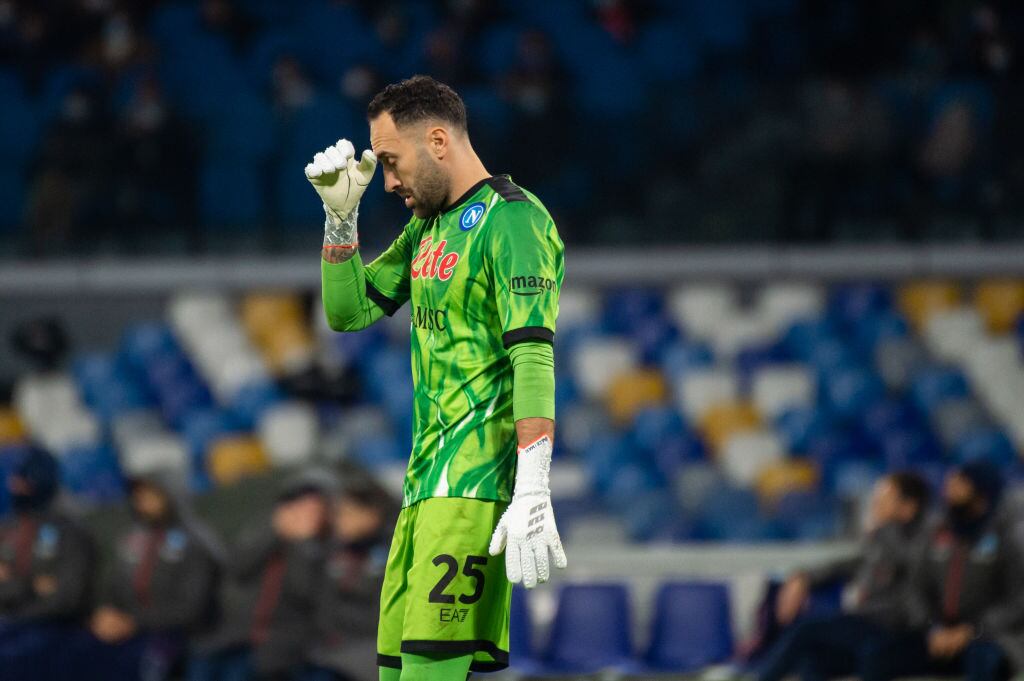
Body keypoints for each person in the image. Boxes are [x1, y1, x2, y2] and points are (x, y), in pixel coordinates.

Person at [308, 75, 566, 680]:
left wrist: (533, 482)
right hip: (424, 484)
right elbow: (348, 312)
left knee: (430, 674)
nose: (388, 181)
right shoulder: (428, 228)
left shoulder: (513, 222)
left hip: (471, 486)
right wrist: (340, 221)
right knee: (398, 672)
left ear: (440, 140)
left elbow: (533, 356)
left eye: (393, 162)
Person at [754, 472, 931, 681]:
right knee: (812, 657)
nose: (875, 505)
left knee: (806, 629)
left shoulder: (921, 541)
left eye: (884, 499)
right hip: (866, 627)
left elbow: (910, 591)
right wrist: (803, 578)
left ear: (908, 507)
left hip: (888, 628)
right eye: (875, 498)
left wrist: (885, 531)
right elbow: (849, 564)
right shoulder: (882, 538)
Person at [872, 461, 1024, 681]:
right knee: (879, 656)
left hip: (991, 636)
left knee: (984, 659)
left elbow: (1018, 601)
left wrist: (972, 630)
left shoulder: (1007, 535)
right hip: (939, 634)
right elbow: (916, 588)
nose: (948, 488)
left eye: (958, 482)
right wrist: (932, 627)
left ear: (980, 490)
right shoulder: (938, 531)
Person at [188, 469, 335, 681]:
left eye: (312, 509)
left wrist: (302, 542)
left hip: (289, 647)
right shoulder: (265, 530)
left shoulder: (329, 548)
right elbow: (237, 567)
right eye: (295, 504)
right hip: (235, 638)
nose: (301, 514)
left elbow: (305, 591)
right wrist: (275, 531)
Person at [83, 475, 223, 681]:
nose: (144, 503)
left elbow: (193, 608)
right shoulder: (132, 541)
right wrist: (107, 615)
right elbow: (114, 587)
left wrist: (134, 622)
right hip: (135, 633)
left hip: (190, 638)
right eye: (139, 497)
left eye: (152, 496)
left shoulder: (196, 540)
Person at [0, 446, 95, 681]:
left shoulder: (71, 532)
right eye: (14, 477)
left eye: (23, 477)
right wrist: (31, 585)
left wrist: (14, 591)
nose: (15, 484)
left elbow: (67, 598)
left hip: (55, 633)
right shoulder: (7, 530)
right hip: (10, 627)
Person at [306, 477, 395, 681]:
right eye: (338, 514)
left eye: (348, 513)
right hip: (328, 654)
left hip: (370, 656)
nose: (340, 521)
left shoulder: (393, 554)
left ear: (372, 514)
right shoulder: (329, 553)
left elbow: (383, 617)